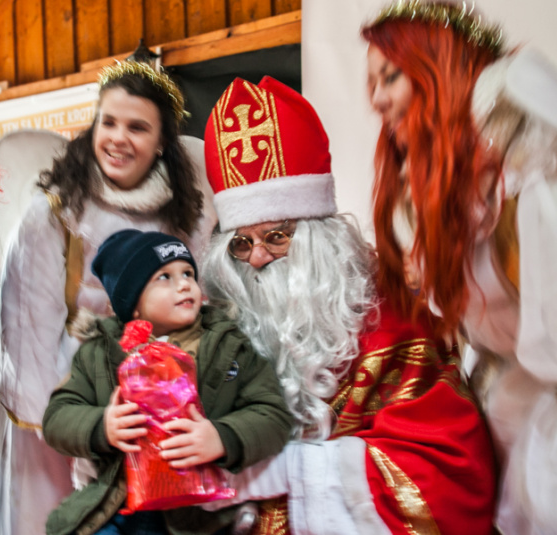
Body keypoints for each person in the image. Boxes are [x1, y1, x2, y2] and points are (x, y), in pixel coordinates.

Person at [200, 76, 497, 533]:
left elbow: (447, 477)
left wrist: (285, 471)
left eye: (277, 237)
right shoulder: (224, 331)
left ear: (322, 240)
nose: (256, 259)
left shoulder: (398, 325)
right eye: (241, 243)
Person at [0, 61, 217, 535]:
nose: (118, 138)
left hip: (155, 402)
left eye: (137, 127)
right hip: (62, 400)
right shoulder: (51, 212)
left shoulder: (184, 213)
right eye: (108, 122)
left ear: (162, 142)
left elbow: (198, 308)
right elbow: (26, 332)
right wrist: (77, 425)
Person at [362, 2, 557, 532]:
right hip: (513, 422)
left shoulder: (527, 184)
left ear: (437, 69)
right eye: (371, 82)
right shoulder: (443, 198)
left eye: (391, 76)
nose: (376, 98)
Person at [42, 229, 293, 535]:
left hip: (201, 511)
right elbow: (57, 416)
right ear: (132, 303)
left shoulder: (228, 346)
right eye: (165, 277)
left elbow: (274, 415)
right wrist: (102, 425)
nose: (184, 284)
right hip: (118, 500)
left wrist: (222, 437)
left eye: (188, 273)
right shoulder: (100, 352)